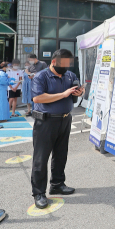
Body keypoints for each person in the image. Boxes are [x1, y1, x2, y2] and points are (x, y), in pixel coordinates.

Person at [30, 49, 84, 209]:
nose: (67, 67)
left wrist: (80, 92)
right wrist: (64, 93)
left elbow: (75, 94)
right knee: (41, 158)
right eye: (64, 63)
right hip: (45, 122)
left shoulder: (70, 75)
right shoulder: (41, 76)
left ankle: (57, 184)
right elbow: (38, 98)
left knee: (61, 155)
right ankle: (39, 193)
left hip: (65, 119)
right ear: (54, 62)